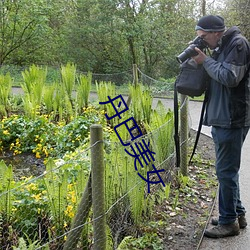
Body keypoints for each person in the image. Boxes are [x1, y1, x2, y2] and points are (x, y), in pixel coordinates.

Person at [192, 15, 250, 238]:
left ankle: (228, 223)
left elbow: (229, 77)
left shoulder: (238, 44)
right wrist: (202, 60)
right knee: (227, 171)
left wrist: (205, 61)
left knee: (225, 171)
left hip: (232, 118)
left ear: (216, 32)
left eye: (204, 37)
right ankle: (237, 214)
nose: (203, 41)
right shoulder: (221, 46)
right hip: (222, 117)